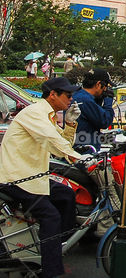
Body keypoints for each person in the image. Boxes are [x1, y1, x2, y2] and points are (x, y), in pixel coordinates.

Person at [0, 77, 85, 278]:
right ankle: (51, 270)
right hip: (17, 177)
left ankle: (54, 245)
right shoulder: (35, 113)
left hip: (33, 176)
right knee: (51, 216)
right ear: (53, 95)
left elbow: (62, 142)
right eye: (67, 95)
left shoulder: (47, 115)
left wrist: (71, 123)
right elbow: (52, 140)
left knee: (66, 195)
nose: (71, 99)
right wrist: (79, 158)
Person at [73, 69, 116, 150]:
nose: (105, 90)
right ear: (98, 84)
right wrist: (108, 102)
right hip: (85, 149)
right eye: (105, 86)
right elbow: (104, 121)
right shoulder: (86, 100)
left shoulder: (77, 95)